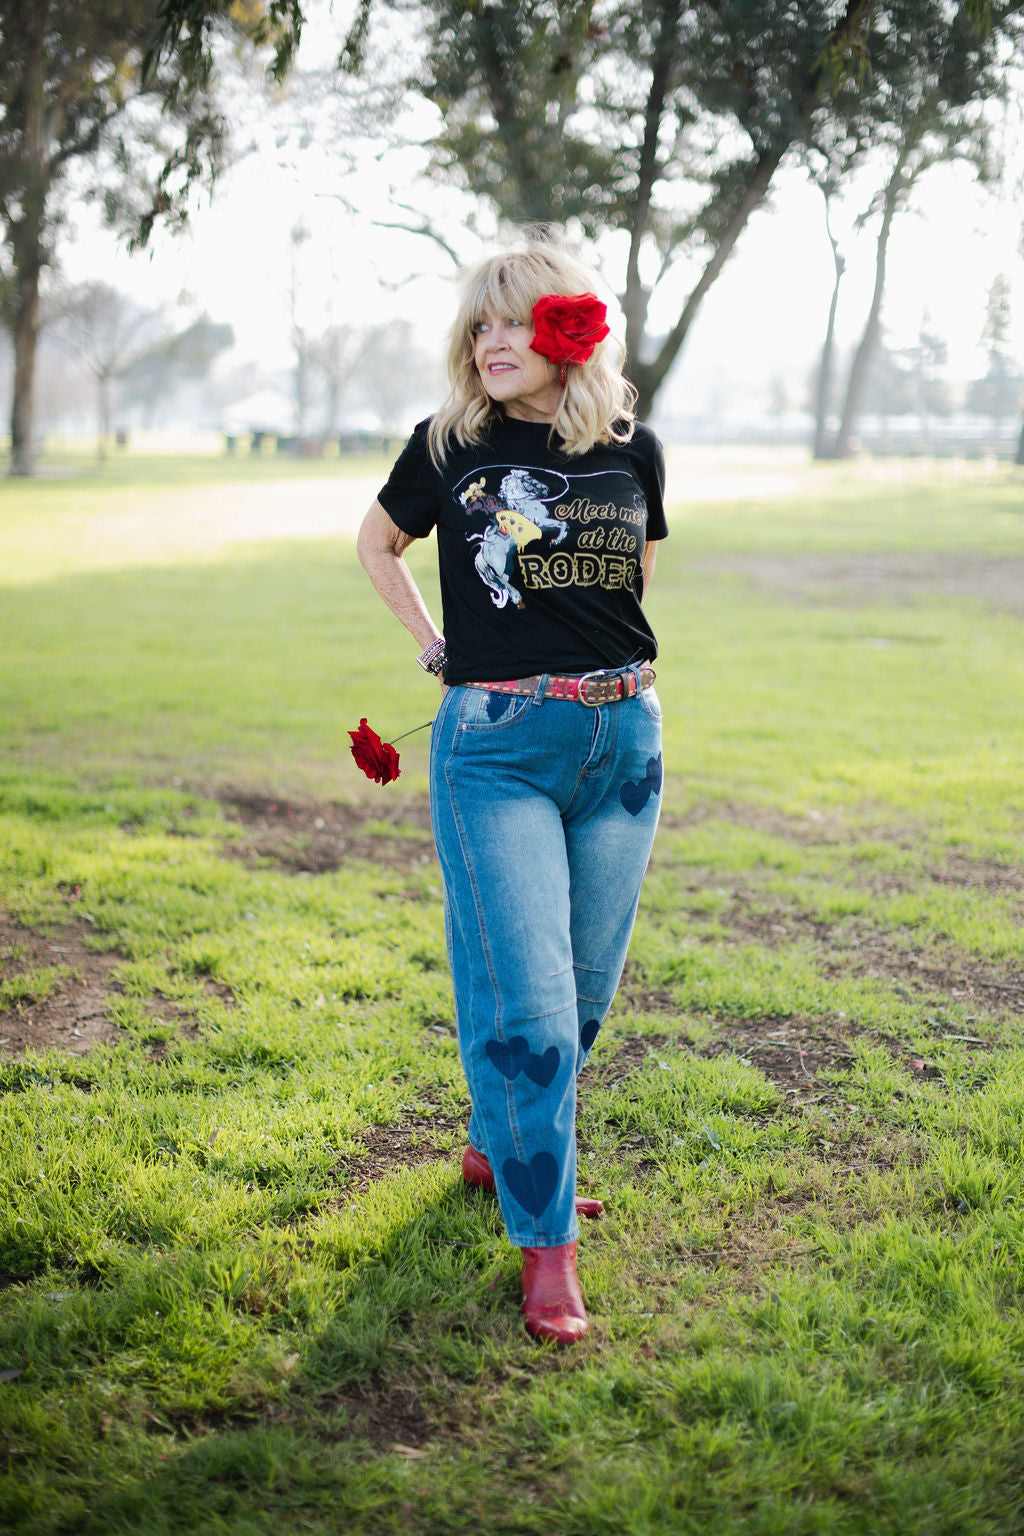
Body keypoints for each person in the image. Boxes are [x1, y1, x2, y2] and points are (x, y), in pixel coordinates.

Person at [357, 239, 667, 1344]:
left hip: (624, 742)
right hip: (495, 749)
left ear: (565, 334)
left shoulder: (633, 449)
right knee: (526, 1004)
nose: (491, 342)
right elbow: (377, 543)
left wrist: (602, 679)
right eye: (478, 325)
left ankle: (502, 1146)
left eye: (513, 322)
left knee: (582, 992)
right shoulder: (450, 446)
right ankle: (547, 1249)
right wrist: (434, 643)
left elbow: (632, 579)